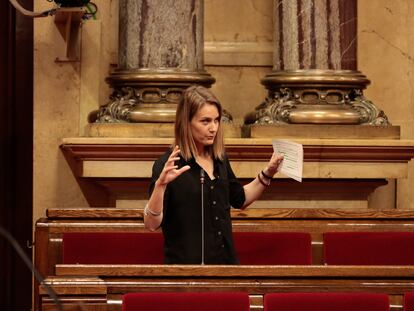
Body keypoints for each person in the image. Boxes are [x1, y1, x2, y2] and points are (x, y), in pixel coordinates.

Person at [144, 85, 284, 264]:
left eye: (217, 120)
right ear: (186, 122)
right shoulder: (168, 164)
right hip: (185, 270)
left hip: (225, 265)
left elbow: (240, 198)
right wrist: (160, 186)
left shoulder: (220, 159)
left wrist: (268, 173)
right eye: (205, 121)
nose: (213, 128)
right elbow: (151, 224)